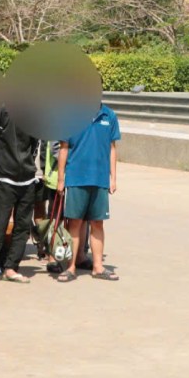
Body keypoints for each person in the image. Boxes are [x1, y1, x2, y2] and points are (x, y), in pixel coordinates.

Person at [56, 102, 121, 283]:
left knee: (97, 223)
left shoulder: (109, 116)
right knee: (74, 223)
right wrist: (61, 179)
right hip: (76, 178)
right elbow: (63, 148)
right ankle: (70, 267)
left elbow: (112, 148)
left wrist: (113, 177)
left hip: (99, 179)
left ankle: (98, 267)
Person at [0, 108, 38, 286]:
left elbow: (35, 144)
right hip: (3, 178)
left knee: (22, 227)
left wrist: (27, 166)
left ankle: (11, 268)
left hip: (27, 179)